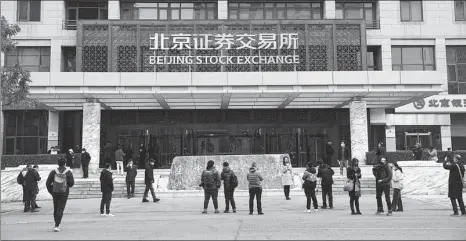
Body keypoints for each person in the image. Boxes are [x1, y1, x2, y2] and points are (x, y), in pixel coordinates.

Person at [46, 158, 75, 232]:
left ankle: (56, 223)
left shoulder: (53, 172)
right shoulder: (68, 172)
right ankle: (57, 225)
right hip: (64, 193)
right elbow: (71, 183)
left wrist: (51, 191)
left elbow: (48, 183)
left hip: (55, 192)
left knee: (56, 208)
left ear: (58, 163)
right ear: (65, 163)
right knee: (60, 208)